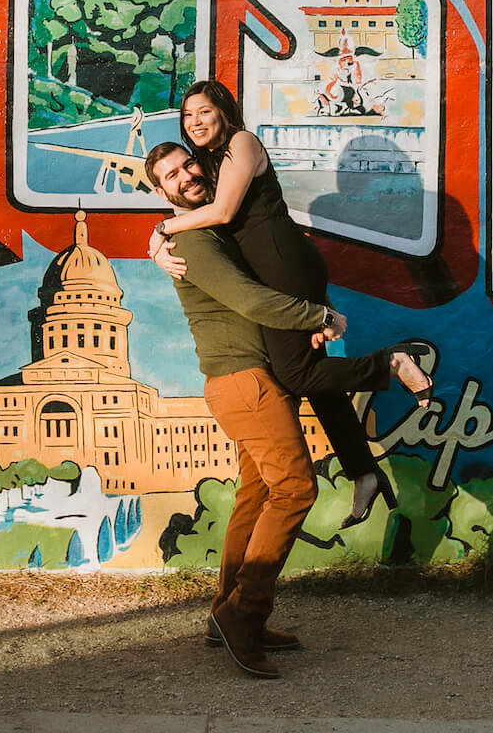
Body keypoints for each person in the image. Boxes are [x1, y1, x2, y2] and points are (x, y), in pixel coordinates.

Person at [148, 80, 432, 528]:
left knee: (294, 374)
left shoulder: (242, 143)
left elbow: (222, 213)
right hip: (274, 269)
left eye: (204, 111)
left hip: (282, 262)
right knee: (314, 377)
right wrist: (160, 239)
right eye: (188, 115)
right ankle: (363, 471)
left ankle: (392, 363)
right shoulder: (208, 163)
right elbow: (197, 208)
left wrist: (162, 230)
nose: (195, 122)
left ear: (223, 111)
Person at [142, 139, 345, 680]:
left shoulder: (209, 229)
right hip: (244, 382)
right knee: (295, 489)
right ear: (161, 192)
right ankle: (244, 613)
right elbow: (253, 301)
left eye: (188, 164)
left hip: (246, 380)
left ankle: (225, 615)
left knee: (256, 495)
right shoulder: (195, 241)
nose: (185, 176)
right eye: (170, 176)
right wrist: (319, 316)